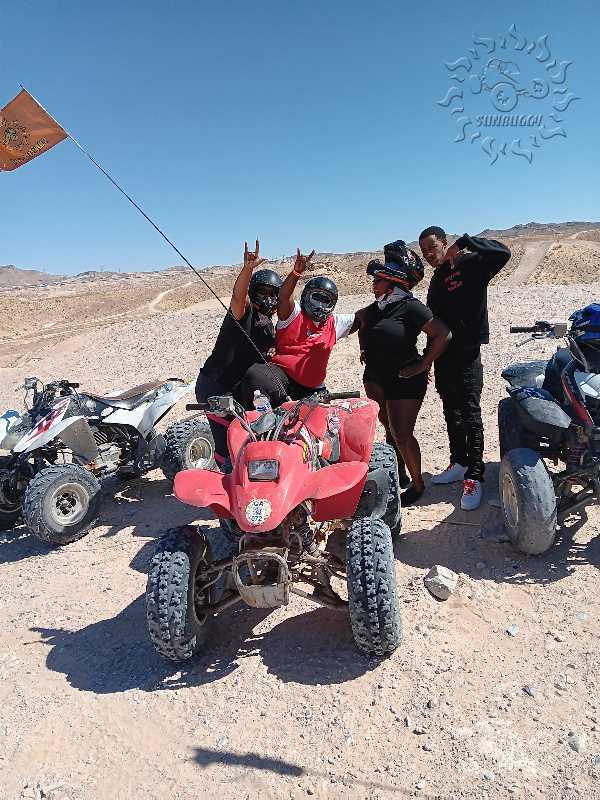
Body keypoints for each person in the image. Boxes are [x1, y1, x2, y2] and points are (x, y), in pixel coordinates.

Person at [418, 227, 511, 510]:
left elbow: (503, 253)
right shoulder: (437, 279)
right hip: (444, 356)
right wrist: (428, 358)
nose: (428, 255)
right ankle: (459, 462)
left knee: (470, 413)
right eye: (424, 252)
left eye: (432, 248)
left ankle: (475, 474)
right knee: (451, 410)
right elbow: (434, 323)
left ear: (445, 243)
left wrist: (467, 242)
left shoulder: (472, 264)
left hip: (468, 354)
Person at [358, 241, 451, 505]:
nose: (373, 285)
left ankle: (418, 484)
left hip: (405, 379)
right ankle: (397, 472)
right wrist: (364, 348)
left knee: (402, 433)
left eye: (378, 280)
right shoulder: (375, 308)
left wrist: (423, 365)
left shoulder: (411, 307)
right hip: (375, 378)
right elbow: (361, 323)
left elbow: (443, 334)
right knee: (388, 426)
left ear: (393, 283)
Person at [195, 240, 282, 466]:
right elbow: (237, 297)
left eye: (274, 293)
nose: (269, 298)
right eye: (262, 292)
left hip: (241, 388)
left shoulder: (269, 325)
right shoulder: (244, 312)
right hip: (216, 385)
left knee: (251, 438)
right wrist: (247, 269)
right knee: (228, 446)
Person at [238, 248, 357, 407]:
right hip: (283, 380)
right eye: (316, 297)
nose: (319, 305)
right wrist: (296, 272)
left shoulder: (335, 323)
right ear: (306, 296)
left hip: (314, 388)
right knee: (256, 375)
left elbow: (363, 318)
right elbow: (283, 297)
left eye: (325, 300)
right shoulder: (294, 315)